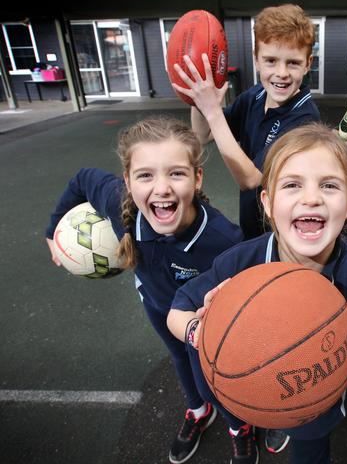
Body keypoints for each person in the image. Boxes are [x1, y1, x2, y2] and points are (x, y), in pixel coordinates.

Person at [167, 123, 347, 464]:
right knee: (245, 398)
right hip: (245, 389)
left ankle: (282, 420)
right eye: (292, 185)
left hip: (315, 410)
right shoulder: (242, 261)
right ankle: (257, 421)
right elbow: (177, 310)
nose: (311, 198)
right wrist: (201, 331)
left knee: (309, 452)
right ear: (269, 203)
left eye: (329, 186)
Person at [44, 118, 244, 464]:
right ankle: (198, 412)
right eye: (146, 175)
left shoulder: (223, 241)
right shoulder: (119, 207)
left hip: (203, 321)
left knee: (214, 375)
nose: (161, 188)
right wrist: (52, 230)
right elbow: (82, 179)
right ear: (128, 181)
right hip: (156, 305)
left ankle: (239, 429)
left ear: (197, 179)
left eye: (176, 174)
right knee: (180, 360)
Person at [174, 3, 321, 242]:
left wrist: (212, 109)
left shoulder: (305, 119)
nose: (281, 72)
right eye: (271, 60)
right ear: (256, 60)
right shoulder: (254, 96)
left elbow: (251, 180)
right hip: (252, 225)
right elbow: (202, 135)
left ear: (308, 63)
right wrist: (197, 96)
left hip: (283, 236)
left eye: (292, 62)